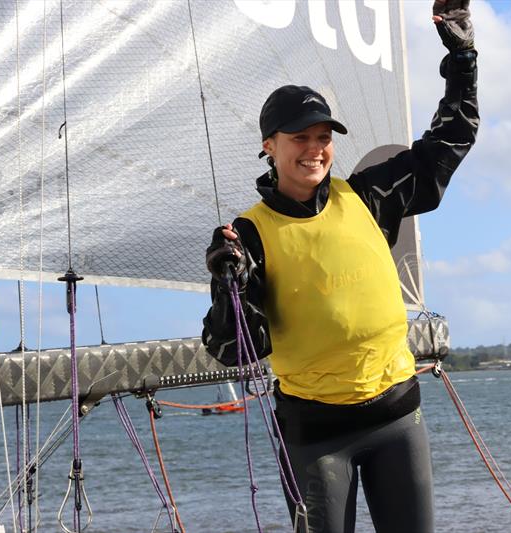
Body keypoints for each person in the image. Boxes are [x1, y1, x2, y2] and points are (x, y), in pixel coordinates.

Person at [202, 1, 478, 531]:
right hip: (315, 437)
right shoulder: (249, 236)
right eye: (300, 138)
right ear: (269, 146)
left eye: (324, 137)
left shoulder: (371, 195)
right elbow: (231, 349)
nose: (315, 149)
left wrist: (462, 57)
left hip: (397, 417)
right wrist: (228, 285)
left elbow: (448, 143)